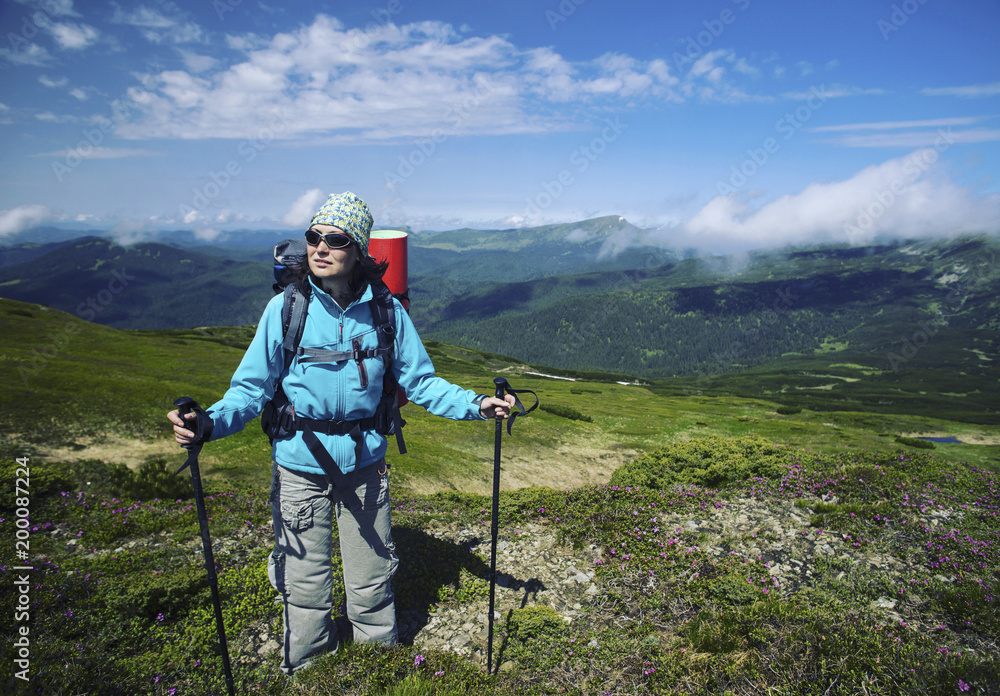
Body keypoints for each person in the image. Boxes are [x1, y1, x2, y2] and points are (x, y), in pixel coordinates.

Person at [167, 191, 515, 676]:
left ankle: (377, 669)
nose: (320, 248)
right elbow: (249, 390)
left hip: (365, 466)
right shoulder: (286, 310)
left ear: (358, 252)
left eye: (334, 239)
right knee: (305, 583)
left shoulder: (386, 312)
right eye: (313, 237)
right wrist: (207, 423)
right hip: (299, 468)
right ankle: (310, 673)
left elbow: (422, 382)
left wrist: (478, 405)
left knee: (372, 578)